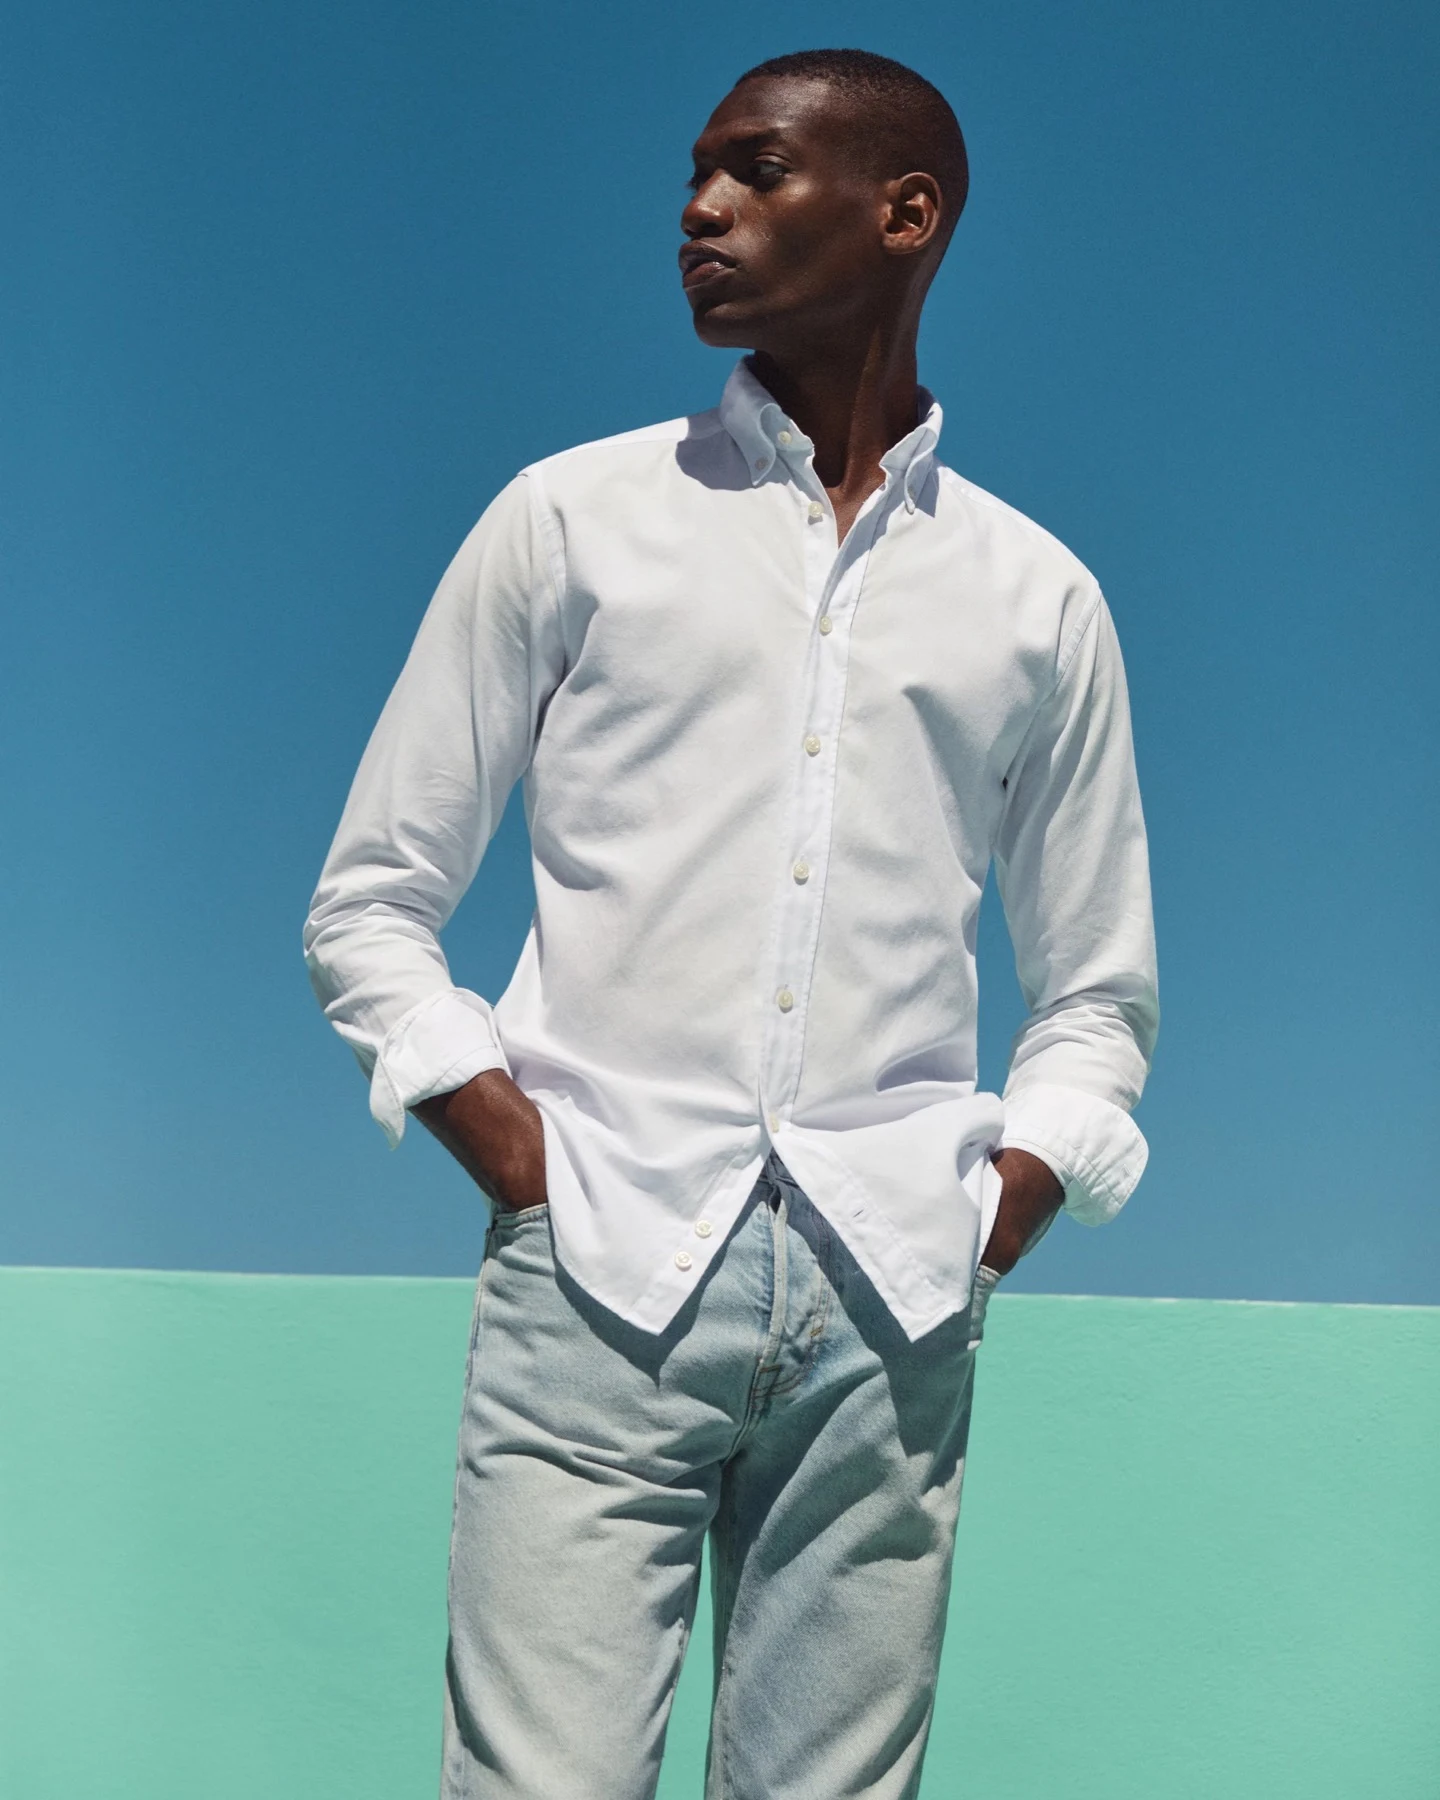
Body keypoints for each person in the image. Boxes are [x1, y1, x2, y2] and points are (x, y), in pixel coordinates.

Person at [304, 46, 1158, 1800]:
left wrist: (1005, 1200)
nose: (701, 210)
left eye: (758, 172)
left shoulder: (1037, 597)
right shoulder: (575, 520)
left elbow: (1098, 989)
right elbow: (374, 898)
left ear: (904, 212)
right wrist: (511, 1146)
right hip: (600, 1258)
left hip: (893, 1298)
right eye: (696, 177)